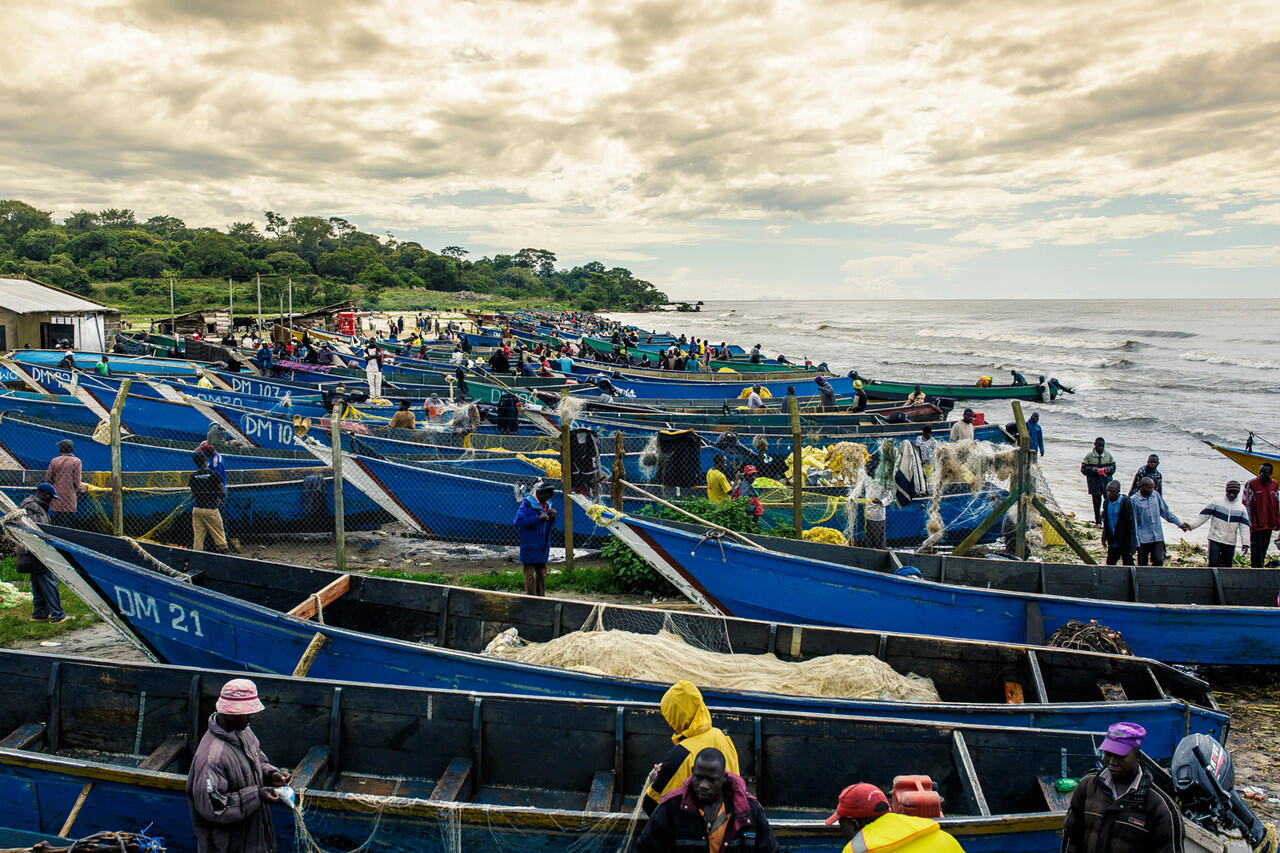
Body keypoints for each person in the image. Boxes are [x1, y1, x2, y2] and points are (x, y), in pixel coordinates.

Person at [187, 678, 291, 853]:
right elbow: (214, 808)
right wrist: (257, 795)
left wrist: (271, 774)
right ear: (229, 713)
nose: (252, 716)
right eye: (247, 712)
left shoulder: (244, 731)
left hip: (254, 840)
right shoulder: (212, 758)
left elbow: (258, 759)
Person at [1062, 722, 1182, 853]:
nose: (1112, 762)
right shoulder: (1087, 786)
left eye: (1120, 756)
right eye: (1108, 754)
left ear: (1138, 757)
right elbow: (1071, 839)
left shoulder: (1161, 808)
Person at [636, 746, 776, 853]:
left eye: (711, 780)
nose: (703, 785)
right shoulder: (671, 807)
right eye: (698, 777)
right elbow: (645, 848)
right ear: (692, 772)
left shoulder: (748, 811)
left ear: (723, 779)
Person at [641, 681, 741, 814]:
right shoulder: (722, 737)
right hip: (730, 822)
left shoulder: (681, 754)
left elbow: (651, 805)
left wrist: (656, 779)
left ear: (675, 716)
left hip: (697, 830)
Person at [827, 782, 964, 853]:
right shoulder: (941, 835)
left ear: (854, 824)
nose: (841, 832)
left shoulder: (856, 850)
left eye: (842, 825)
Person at [18, 483, 68, 624]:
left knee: (37, 582)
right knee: (49, 580)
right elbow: (37, 531)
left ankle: (39, 614)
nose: (51, 501)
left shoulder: (28, 505)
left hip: (28, 551)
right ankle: (58, 615)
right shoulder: (35, 508)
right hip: (37, 551)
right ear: (45, 495)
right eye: (51, 498)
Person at [1186, 480, 1250, 567]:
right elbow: (1203, 517)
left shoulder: (1241, 508)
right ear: (1226, 491)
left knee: (1227, 566)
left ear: (1238, 493)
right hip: (1215, 539)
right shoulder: (1216, 502)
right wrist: (1191, 526)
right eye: (1229, 492)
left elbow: (1244, 528)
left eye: (1234, 493)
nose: (1231, 495)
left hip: (1230, 542)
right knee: (1212, 563)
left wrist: (1245, 543)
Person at [1131, 477, 1189, 566]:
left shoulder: (1156, 496)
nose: (1151, 490)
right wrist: (1136, 540)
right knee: (1142, 563)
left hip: (1157, 536)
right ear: (1141, 487)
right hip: (1143, 538)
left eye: (1153, 487)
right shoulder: (1134, 500)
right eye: (1149, 488)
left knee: (1158, 560)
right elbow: (1134, 522)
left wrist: (1179, 524)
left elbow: (1165, 512)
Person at [514, 483, 557, 596]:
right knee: (529, 573)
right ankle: (531, 598)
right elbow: (519, 521)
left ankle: (541, 597)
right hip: (530, 544)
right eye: (545, 497)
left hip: (542, 546)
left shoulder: (548, 505)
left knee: (542, 573)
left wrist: (552, 518)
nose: (546, 499)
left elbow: (549, 526)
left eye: (548, 497)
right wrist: (538, 518)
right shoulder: (527, 504)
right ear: (539, 494)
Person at [190, 451, 228, 553]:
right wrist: (217, 498)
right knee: (219, 533)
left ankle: (197, 555)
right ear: (206, 461)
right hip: (211, 509)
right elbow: (222, 492)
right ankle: (223, 553)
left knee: (198, 536)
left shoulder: (193, 477)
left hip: (197, 509)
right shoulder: (214, 474)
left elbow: (193, 493)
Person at [1243, 462, 1279, 568]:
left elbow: (1277, 503)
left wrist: (1278, 520)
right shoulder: (1251, 483)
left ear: (1271, 473)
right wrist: (1250, 522)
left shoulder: (1274, 485)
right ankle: (1255, 569)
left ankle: (1261, 567)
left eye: (1265, 472)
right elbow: (1246, 504)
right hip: (1256, 524)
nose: (1262, 474)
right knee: (1255, 549)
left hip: (1269, 523)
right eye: (1261, 472)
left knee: (1264, 548)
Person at [1080, 437, 1116, 525]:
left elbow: (1114, 467)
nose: (1101, 448)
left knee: (1108, 501)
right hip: (1094, 483)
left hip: (1106, 482)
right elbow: (1083, 469)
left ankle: (1108, 520)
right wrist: (1093, 469)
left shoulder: (1108, 455)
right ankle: (1098, 522)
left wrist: (1108, 469)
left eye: (1102, 446)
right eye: (1099, 446)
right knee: (1096, 502)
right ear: (1095, 445)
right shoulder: (1089, 457)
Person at [1100, 481, 1137, 566]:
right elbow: (1106, 521)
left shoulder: (1125, 502)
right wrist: (1104, 536)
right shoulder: (1106, 502)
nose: (1109, 494)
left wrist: (1133, 544)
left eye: (1112, 492)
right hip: (1112, 539)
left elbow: (1131, 524)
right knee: (1110, 562)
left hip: (1124, 540)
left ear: (1118, 491)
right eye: (1107, 491)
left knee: (1128, 563)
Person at [45, 439, 85, 515]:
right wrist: (84, 488)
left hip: (56, 495)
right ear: (72, 449)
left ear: (60, 449)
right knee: (68, 520)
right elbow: (77, 482)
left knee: (55, 519)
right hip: (69, 497)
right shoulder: (76, 461)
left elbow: (48, 479)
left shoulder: (54, 460)